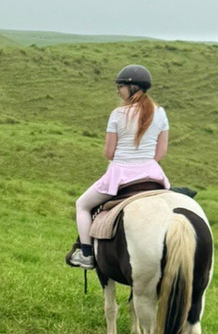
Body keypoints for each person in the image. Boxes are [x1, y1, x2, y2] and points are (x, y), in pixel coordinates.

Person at [66, 64, 170, 269]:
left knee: (82, 205)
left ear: (132, 87)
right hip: (152, 174)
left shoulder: (118, 114)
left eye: (120, 86)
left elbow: (109, 153)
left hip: (120, 174)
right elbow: (160, 154)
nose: (117, 90)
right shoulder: (161, 113)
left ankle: (86, 253)